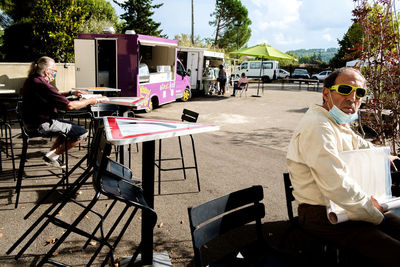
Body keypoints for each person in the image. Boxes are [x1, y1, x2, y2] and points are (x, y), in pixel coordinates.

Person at [286, 67, 400, 266]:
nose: (353, 98)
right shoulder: (318, 125)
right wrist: (373, 213)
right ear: (326, 93)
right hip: (322, 214)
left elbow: (359, 143)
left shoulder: (336, 122)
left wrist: (385, 156)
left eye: (360, 93)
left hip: (347, 205)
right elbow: (336, 183)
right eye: (345, 90)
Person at [21, 56, 99, 168]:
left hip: (32, 123)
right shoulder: (41, 84)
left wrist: (71, 92)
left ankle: (50, 156)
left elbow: (54, 95)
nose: (54, 74)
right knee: (82, 133)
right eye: (54, 71)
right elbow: (70, 105)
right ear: (46, 71)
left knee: (69, 127)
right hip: (41, 124)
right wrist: (90, 101)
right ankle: (52, 156)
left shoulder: (32, 80)